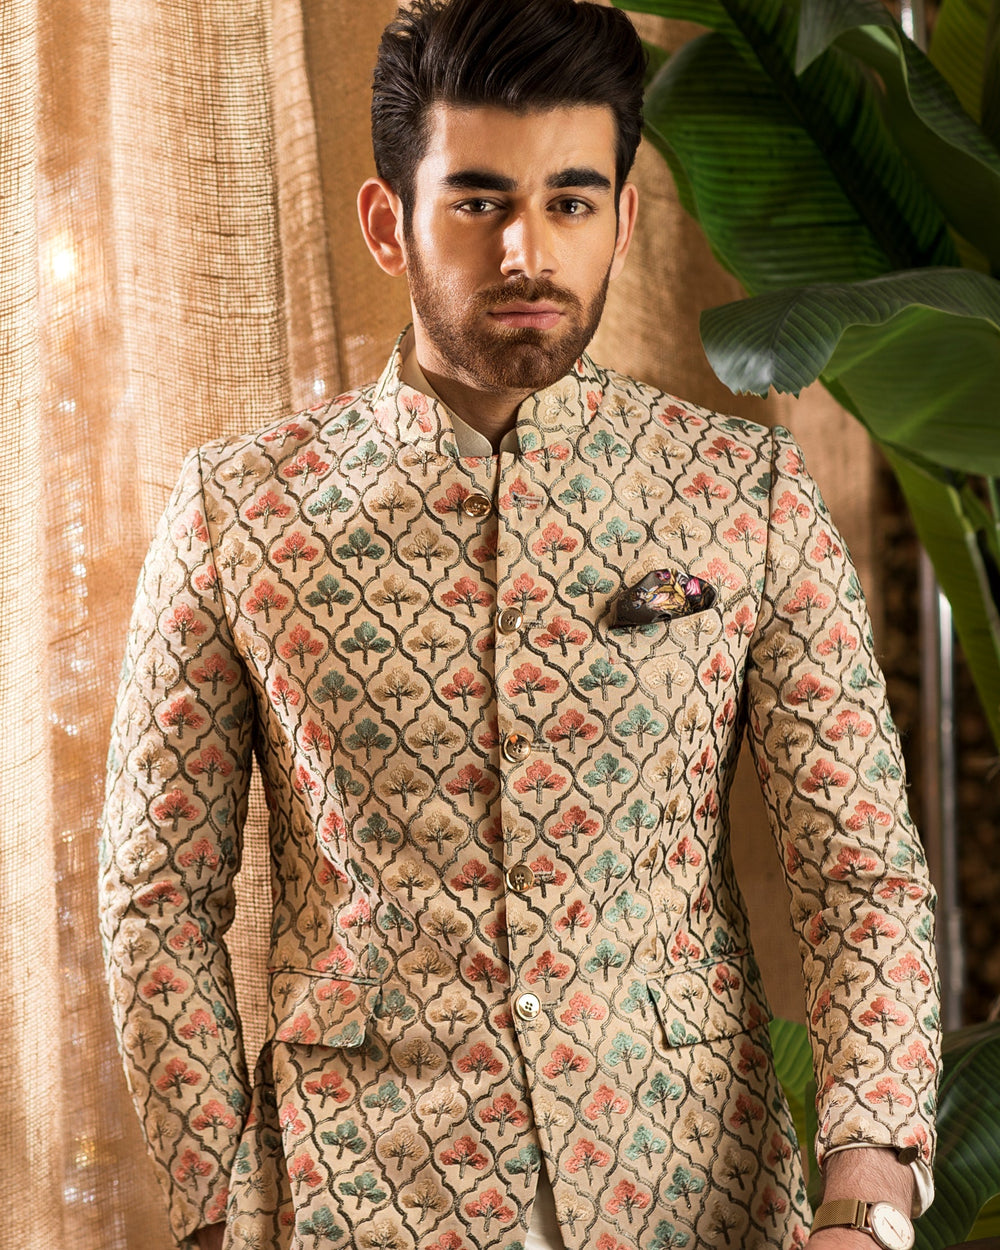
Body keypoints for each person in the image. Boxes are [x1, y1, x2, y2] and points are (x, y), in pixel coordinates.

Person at [98, 2, 940, 1248]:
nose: (527, 252)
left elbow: (858, 866)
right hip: (358, 1194)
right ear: (390, 223)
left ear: (624, 219)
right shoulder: (241, 513)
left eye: (571, 201)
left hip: (689, 1190)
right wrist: (222, 1206)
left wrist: (863, 1196)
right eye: (480, 201)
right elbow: (156, 893)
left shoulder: (738, 493)